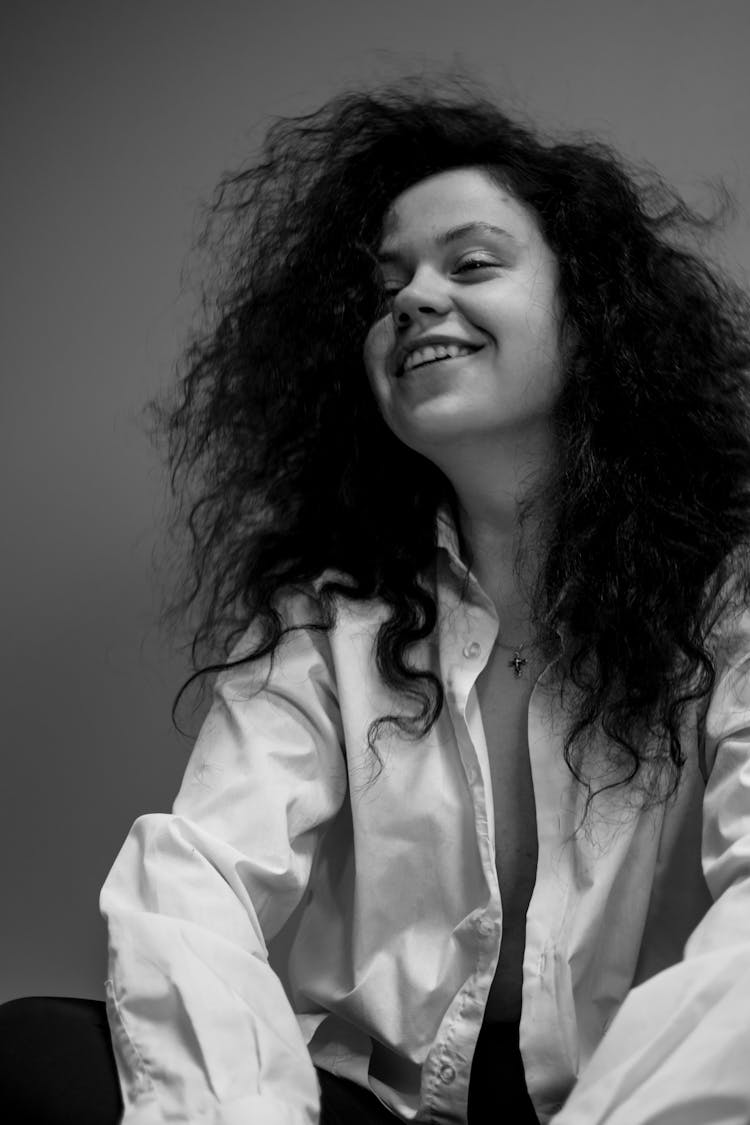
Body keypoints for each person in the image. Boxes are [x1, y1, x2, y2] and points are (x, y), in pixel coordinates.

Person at [3, 76, 750, 1125]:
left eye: (473, 263)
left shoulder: (729, 592)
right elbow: (198, 875)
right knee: (34, 1045)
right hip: (383, 1107)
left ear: (595, 314)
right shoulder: (331, 616)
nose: (409, 301)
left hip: (641, 1100)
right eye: (387, 285)